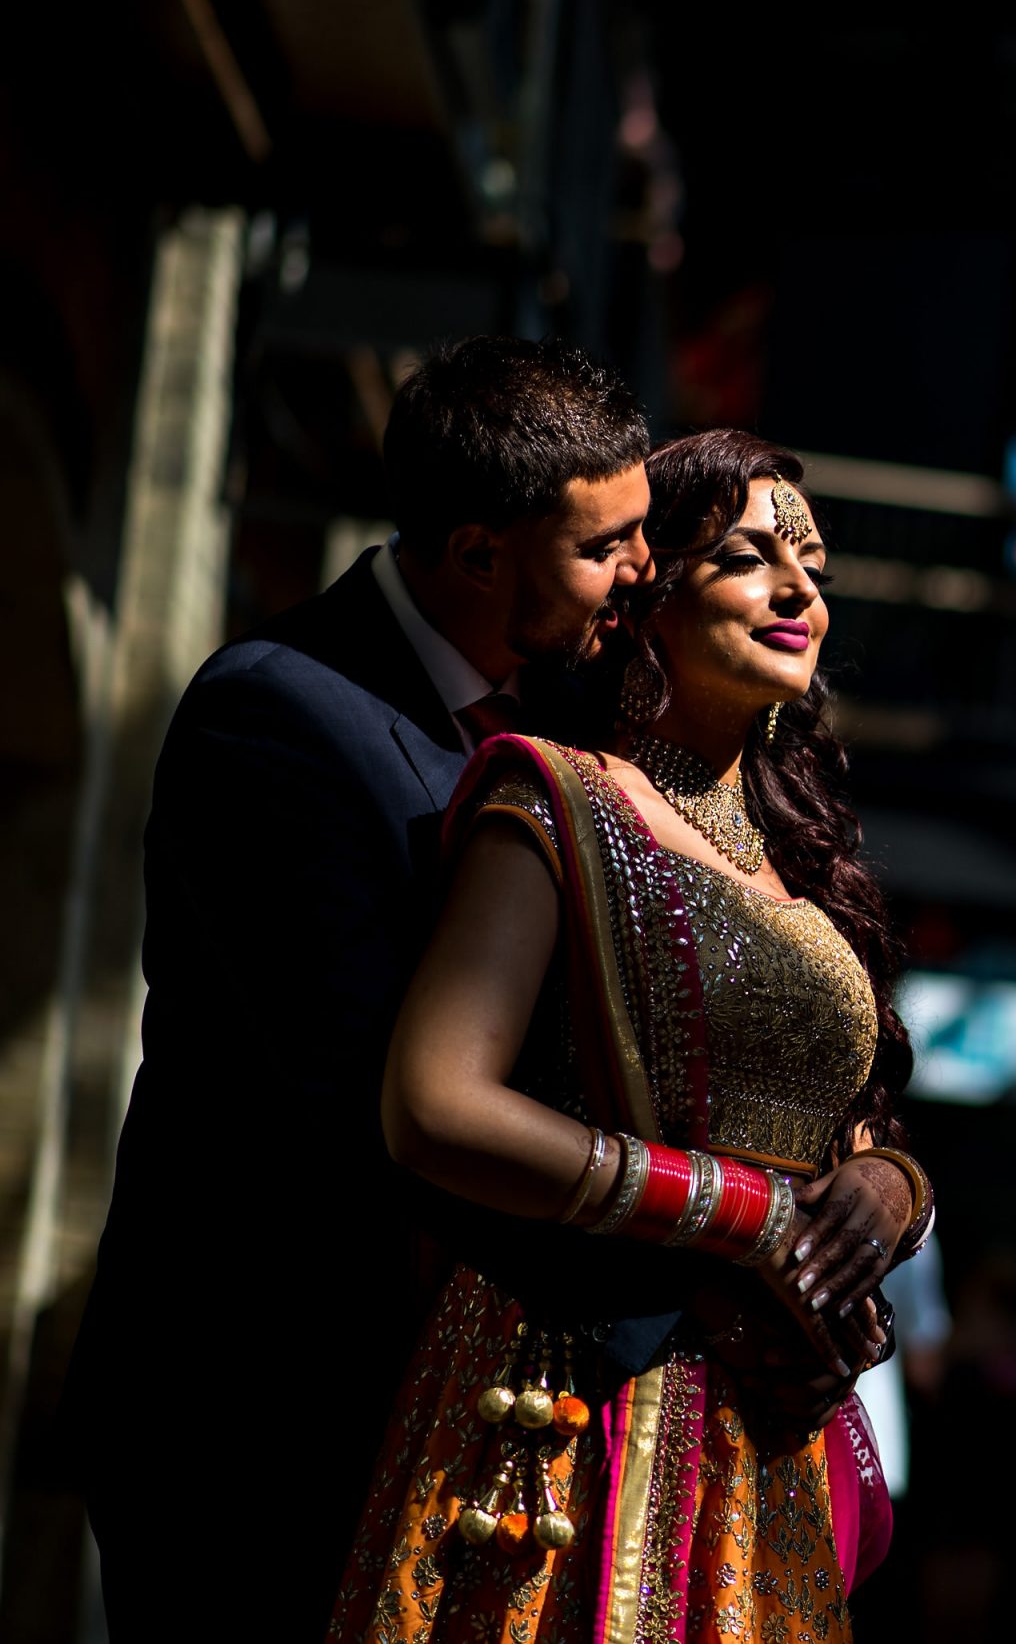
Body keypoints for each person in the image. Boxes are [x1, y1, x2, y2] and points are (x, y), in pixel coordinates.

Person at [70, 337, 657, 1642]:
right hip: (252, 1408)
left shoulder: (568, 718)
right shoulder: (276, 716)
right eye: (605, 543)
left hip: (434, 1406)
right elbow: (368, 1098)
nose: (644, 567)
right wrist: (683, 1235)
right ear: (475, 553)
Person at [329, 430, 929, 1643]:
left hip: (760, 1435)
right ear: (651, 596)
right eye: (750, 558)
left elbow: (844, 1118)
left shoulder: (803, 874)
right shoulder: (553, 798)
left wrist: (885, 1185)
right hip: (568, 1395)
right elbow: (434, 1101)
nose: (800, 589)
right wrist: (751, 1214)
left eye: (810, 560)